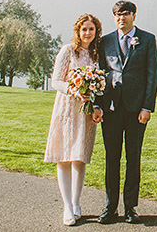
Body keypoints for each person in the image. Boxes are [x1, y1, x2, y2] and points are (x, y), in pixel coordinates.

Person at [92, 0, 157, 225]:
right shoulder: (105, 41)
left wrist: (147, 107)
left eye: (126, 14)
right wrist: (98, 105)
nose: (122, 18)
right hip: (110, 109)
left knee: (133, 158)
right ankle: (111, 208)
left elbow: (152, 76)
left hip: (136, 110)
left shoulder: (148, 40)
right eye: (118, 15)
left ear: (134, 16)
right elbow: (100, 74)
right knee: (112, 159)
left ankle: (131, 207)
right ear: (114, 18)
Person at [44, 13, 104, 226]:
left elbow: (100, 87)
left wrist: (96, 105)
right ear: (78, 31)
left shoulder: (96, 55)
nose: (88, 33)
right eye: (84, 29)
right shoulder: (68, 51)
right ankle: (67, 206)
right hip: (66, 108)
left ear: (96, 32)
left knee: (79, 156)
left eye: (92, 29)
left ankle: (77, 202)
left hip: (86, 111)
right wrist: (74, 90)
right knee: (64, 156)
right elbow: (56, 81)